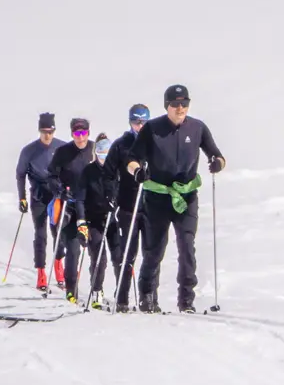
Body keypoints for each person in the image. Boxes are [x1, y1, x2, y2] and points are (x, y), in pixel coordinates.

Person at [125, 85, 225, 313]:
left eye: (184, 104)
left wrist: (217, 163)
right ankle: (148, 296)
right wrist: (137, 170)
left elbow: (217, 154)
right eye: (175, 104)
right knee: (154, 249)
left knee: (187, 246)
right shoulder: (152, 129)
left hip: (186, 196)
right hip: (158, 196)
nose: (180, 108)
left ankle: (186, 300)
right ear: (166, 106)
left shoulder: (198, 128)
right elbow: (132, 158)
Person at [104, 104, 151, 312]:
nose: (139, 126)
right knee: (127, 254)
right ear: (130, 122)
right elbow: (109, 173)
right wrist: (111, 196)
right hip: (127, 207)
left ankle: (149, 298)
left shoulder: (154, 142)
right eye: (136, 122)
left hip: (150, 207)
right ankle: (122, 298)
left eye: (143, 122)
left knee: (151, 254)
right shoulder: (121, 145)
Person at [16, 112, 66, 291]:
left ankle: (59, 266)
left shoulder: (61, 147)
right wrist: (21, 197)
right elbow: (20, 174)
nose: (47, 135)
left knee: (58, 232)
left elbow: (70, 169)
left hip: (56, 195)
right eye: (44, 131)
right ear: (39, 131)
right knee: (41, 234)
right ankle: (41, 273)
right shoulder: (29, 151)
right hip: (38, 196)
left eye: (50, 131)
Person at [48, 118, 96, 303]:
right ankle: (71, 290)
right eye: (77, 134)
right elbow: (51, 176)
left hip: (91, 206)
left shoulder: (94, 150)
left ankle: (96, 289)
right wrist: (59, 190)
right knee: (73, 249)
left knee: (94, 248)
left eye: (83, 133)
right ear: (71, 134)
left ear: (88, 133)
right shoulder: (62, 152)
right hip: (70, 206)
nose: (81, 137)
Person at [81, 134, 114, 309]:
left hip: (112, 219)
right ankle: (96, 290)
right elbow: (82, 198)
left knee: (119, 256)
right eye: (100, 154)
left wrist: (115, 202)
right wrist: (82, 221)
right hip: (94, 220)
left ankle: (122, 294)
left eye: (107, 154)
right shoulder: (89, 171)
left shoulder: (116, 170)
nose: (103, 158)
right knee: (99, 257)